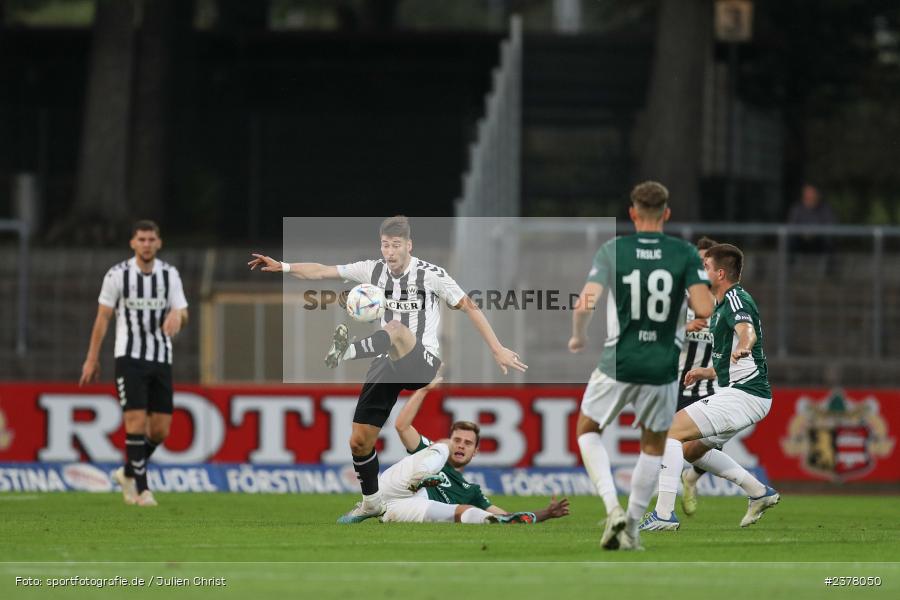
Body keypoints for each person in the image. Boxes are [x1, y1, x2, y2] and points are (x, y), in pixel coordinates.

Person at [248, 215, 527, 524]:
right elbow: (322, 271)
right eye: (385, 245)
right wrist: (284, 266)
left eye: (396, 245)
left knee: (395, 327)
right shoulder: (373, 270)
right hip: (386, 360)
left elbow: (469, 307)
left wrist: (497, 348)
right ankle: (371, 503)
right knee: (359, 440)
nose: (390, 252)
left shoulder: (431, 275)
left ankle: (347, 351)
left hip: (423, 361)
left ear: (409, 245)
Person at [569, 182, 714, 551]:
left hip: (618, 361)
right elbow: (704, 308)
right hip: (662, 367)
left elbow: (585, 304)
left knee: (587, 429)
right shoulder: (684, 253)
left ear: (632, 213)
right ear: (667, 214)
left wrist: (578, 336)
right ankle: (632, 529)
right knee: (652, 446)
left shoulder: (614, 250)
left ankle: (611, 507)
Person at [639, 243, 780, 531]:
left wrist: (744, 344)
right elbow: (735, 357)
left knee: (669, 432)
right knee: (690, 450)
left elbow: (747, 331)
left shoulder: (735, 299)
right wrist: (707, 371)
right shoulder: (720, 304)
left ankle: (663, 515)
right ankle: (758, 492)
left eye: (705, 266)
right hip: (744, 392)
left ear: (719, 273)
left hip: (746, 394)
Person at [79, 220, 189, 507]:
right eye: (141, 239)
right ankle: (143, 490)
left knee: (160, 430)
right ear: (133, 243)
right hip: (129, 358)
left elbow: (183, 312)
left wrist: (178, 316)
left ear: (159, 243)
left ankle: (127, 472)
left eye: (151, 239)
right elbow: (103, 317)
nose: (146, 244)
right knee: (136, 421)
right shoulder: (117, 275)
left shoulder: (170, 275)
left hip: (161, 357)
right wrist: (92, 358)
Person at [380, 375, 570, 525]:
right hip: (399, 492)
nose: (461, 445)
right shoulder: (431, 453)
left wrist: (546, 513)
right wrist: (423, 390)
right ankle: (415, 480)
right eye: (457, 440)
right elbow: (402, 426)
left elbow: (505, 517)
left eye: (468, 443)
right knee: (432, 454)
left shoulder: (471, 491)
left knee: (469, 512)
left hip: (412, 510)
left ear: (475, 452)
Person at [643, 236, 721, 528]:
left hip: (711, 387)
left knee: (709, 446)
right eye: (698, 262)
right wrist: (683, 328)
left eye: (707, 262)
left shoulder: (725, 303)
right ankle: (660, 505)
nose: (702, 267)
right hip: (675, 384)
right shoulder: (677, 299)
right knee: (664, 441)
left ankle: (690, 478)